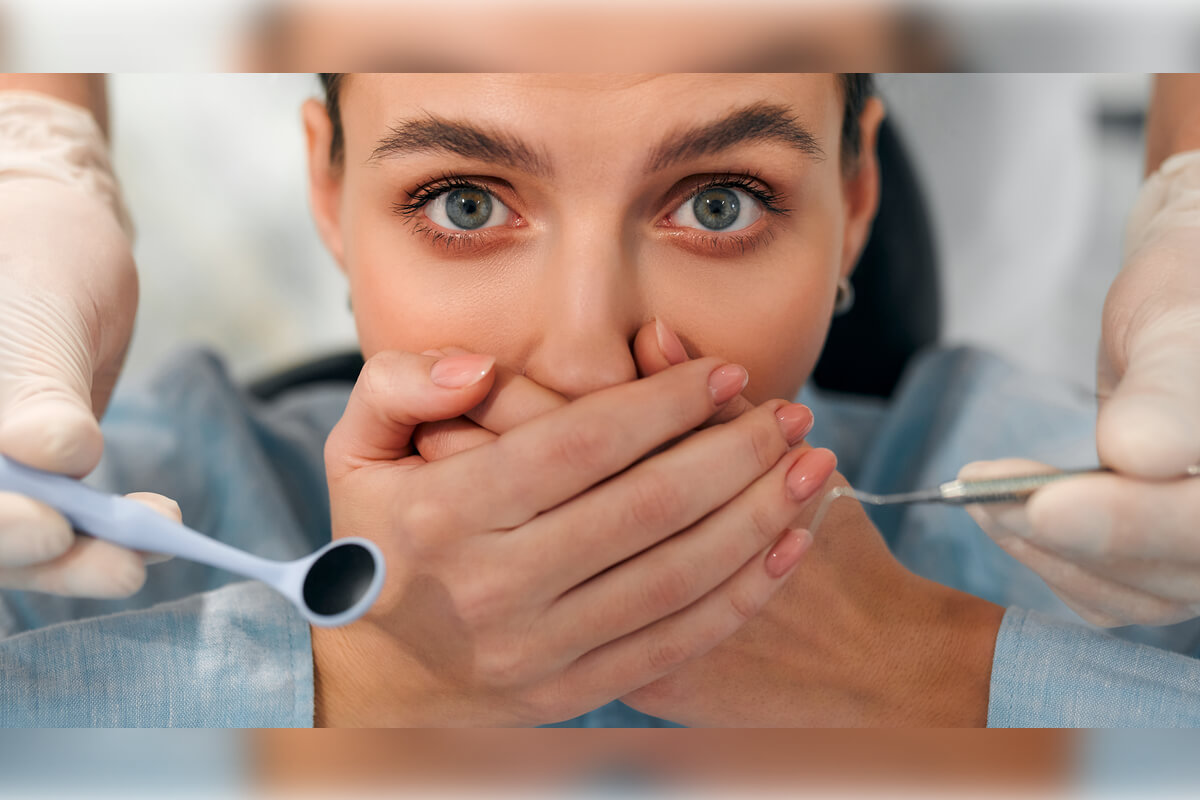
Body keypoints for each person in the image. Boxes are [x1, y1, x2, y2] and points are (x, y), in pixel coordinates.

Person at [0, 72, 1198, 726]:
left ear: (856, 197)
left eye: (719, 202)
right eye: (465, 202)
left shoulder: (1108, 551)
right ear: (328, 189)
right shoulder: (102, 531)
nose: (583, 360)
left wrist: (936, 680)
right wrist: (359, 691)